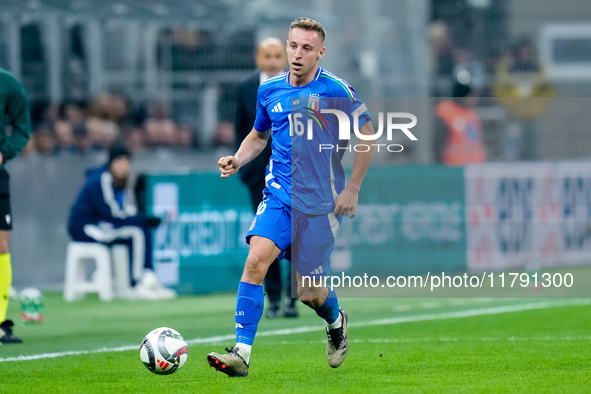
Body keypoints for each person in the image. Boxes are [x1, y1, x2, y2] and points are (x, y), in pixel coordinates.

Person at [209, 17, 375, 377]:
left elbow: (369, 135)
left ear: (320, 53)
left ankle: (335, 320)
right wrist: (237, 158)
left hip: (319, 207)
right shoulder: (269, 90)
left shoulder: (336, 90)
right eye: (292, 46)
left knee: (310, 295)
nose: (297, 54)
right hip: (280, 197)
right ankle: (241, 353)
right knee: (255, 261)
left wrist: (352, 188)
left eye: (306, 49)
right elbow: (258, 136)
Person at [235, 37, 297, 319]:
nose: (272, 61)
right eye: (267, 56)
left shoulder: (297, 86)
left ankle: (294, 299)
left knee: (295, 240)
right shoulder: (247, 88)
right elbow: (243, 129)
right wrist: (242, 166)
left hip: (292, 176)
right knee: (263, 239)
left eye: (276, 56)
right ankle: (273, 300)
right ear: (257, 59)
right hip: (258, 176)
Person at [67, 143, 175, 300]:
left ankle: (148, 278)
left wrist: (142, 219)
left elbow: (124, 210)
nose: (124, 167)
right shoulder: (101, 180)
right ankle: (137, 284)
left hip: (103, 225)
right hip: (85, 227)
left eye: (127, 163)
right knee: (135, 233)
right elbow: (112, 213)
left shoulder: (119, 183)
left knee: (141, 228)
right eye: (120, 163)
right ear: (112, 163)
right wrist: (139, 219)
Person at [0, 68, 32, 344]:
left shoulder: (8, 84)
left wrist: (4, 151)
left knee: (1, 245)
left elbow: (23, 128)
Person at [433, 76, 487, 166]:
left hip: (474, 169)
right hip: (454, 167)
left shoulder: (472, 115)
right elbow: (438, 143)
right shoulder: (447, 112)